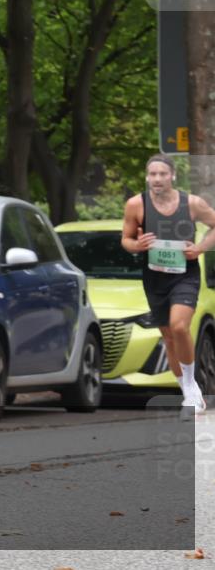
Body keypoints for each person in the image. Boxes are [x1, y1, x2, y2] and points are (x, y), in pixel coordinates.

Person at [121, 153, 215, 418]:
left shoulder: (192, 203)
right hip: (154, 277)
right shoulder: (136, 205)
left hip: (185, 275)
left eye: (163, 174)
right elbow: (126, 239)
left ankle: (193, 389)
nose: (157, 179)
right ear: (147, 177)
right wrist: (136, 245)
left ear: (172, 176)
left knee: (179, 326)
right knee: (169, 337)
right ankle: (186, 388)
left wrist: (199, 248)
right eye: (153, 174)